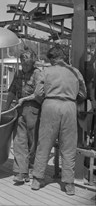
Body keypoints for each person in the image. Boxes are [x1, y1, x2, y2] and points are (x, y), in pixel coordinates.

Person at [31, 45, 87, 195]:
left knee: (44, 143)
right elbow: (83, 93)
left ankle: (37, 179)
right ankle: (69, 184)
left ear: (52, 59)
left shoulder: (46, 71)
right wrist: (72, 99)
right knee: (68, 146)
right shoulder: (75, 72)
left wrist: (46, 100)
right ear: (63, 57)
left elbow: (38, 93)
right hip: (69, 106)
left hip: (50, 105)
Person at [4, 49, 42, 183]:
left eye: (27, 64)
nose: (25, 66)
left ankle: (32, 168)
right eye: (23, 64)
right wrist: (5, 108)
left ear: (32, 63)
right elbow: (12, 91)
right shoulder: (18, 74)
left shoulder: (38, 74)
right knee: (19, 141)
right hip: (20, 110)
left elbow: (39, 94)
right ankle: (21, 171)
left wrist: (25, 100)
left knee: (33, 141)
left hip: (33, 109)